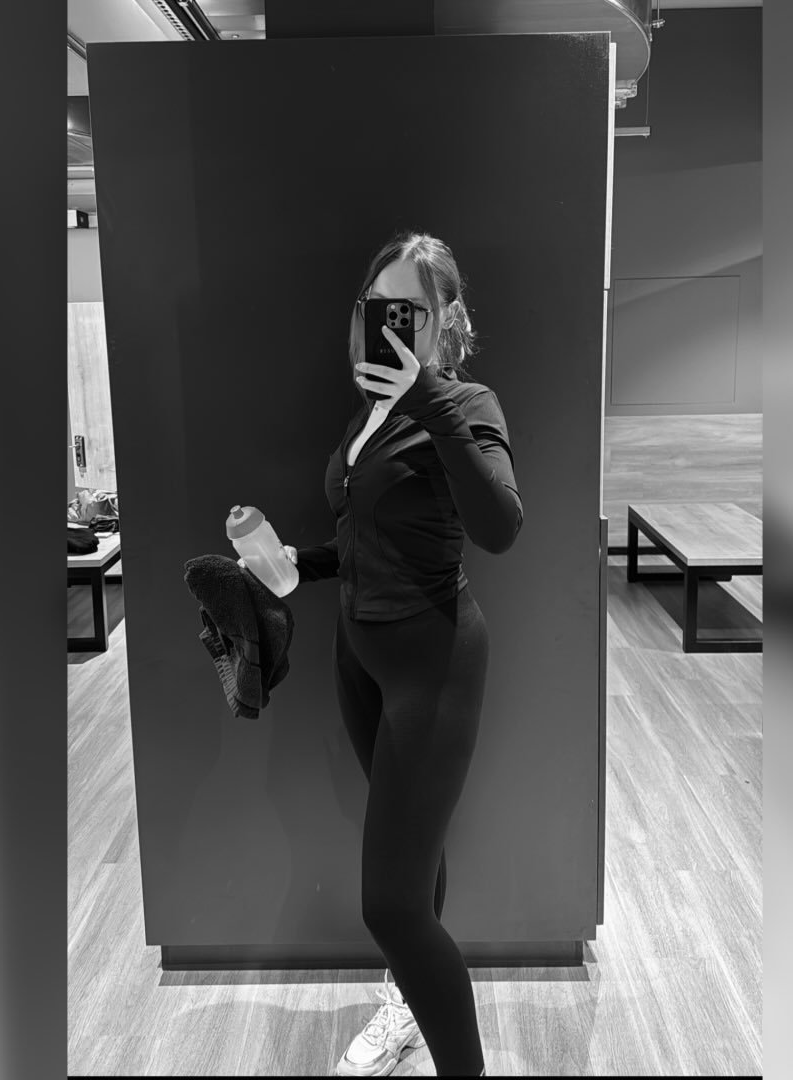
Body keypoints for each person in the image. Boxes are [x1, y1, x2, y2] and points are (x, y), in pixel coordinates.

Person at [245, 232, 522, 1077]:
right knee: (415, 862)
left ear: (443, 319)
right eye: (377, 308)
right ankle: (408, 1004)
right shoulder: (366, 415)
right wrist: (299, 564)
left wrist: (426, 394)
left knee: (391, 908)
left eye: (409, 311)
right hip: (359, 663)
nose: (389, 324)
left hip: (433, 667)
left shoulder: (466, 403)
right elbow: (366, 537)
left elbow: (500, 526)